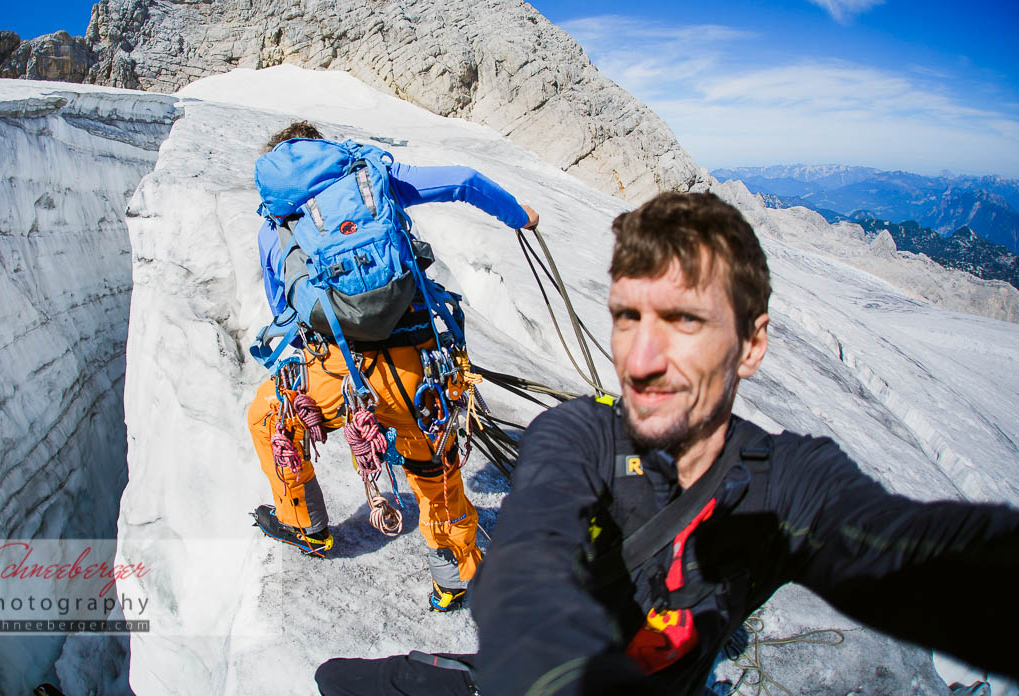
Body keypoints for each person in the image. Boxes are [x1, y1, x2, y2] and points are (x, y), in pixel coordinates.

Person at [315, 191, 1019, 695]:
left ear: (750, 343)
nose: (643, 358)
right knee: (333, 678)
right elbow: (532, 556)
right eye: (628, 318)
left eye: (684, 321)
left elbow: (919, 557)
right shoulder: (578, 435)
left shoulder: (792, 482)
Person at [246, 121, 539, 611]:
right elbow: (463, 179)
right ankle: (455, 578)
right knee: (431, 463)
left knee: (269, 419)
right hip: (414, 367)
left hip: (337, 372)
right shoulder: (373, 177)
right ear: (324, 149)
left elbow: (285, 315)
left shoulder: (276, 225)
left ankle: (306, 526)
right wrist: (519, 215)